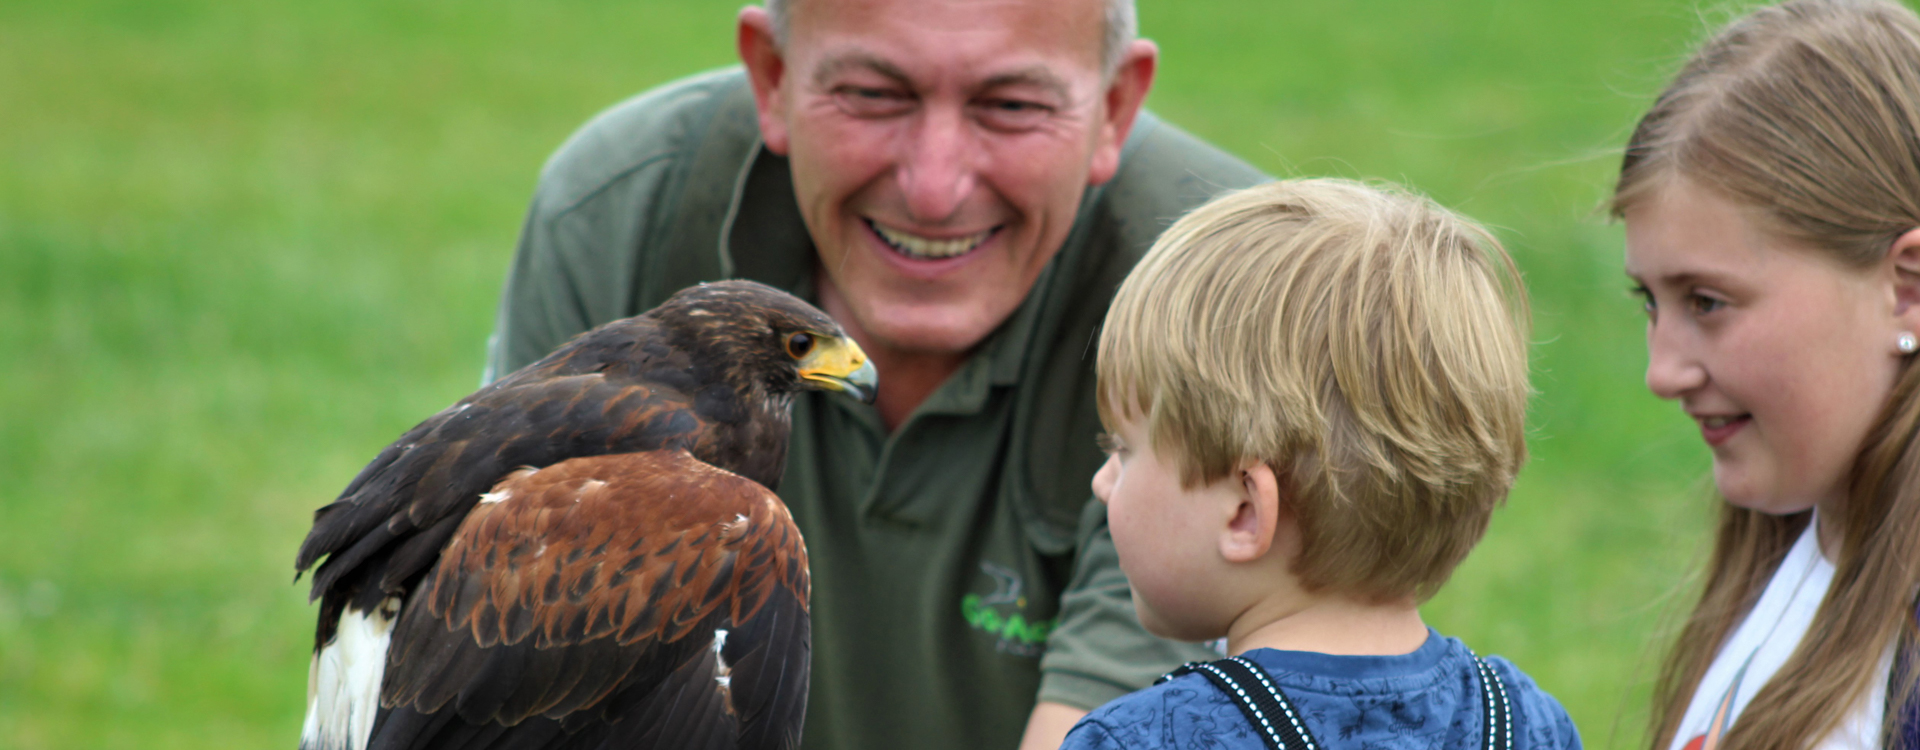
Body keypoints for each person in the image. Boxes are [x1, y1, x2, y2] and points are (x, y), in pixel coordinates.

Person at [481, 0, 1267, 747]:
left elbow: (1116, 710)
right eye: (870, 95)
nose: (934, 187)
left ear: (1116, 107)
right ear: (774, 76)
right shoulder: (619, 212)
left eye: (1012, 106)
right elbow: (508, 674)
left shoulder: (1233, 284)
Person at [1060, 178, 1581, 750]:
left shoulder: (1143, 741)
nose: (1102, 483)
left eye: (1122, 451)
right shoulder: (1528, 723)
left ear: (1243, 511)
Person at [1612, 1, 1920, 749]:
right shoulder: (1804, 542)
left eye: (1707, 302)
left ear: (1906, 287)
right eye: (1651, 302)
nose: (1662, 371)